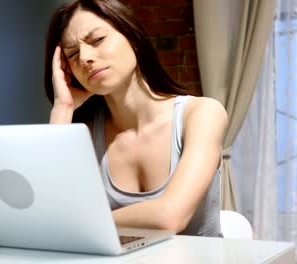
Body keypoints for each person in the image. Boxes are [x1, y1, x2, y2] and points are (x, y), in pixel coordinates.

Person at [44, 0, 227, 237]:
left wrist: (80, 223)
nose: (85, 58)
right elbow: (48, 214)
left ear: (132, 37)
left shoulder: (202, 114)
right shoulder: (85, 136)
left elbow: (169, 216)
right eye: (72, 53)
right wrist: (63, 107)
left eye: (97, 40)